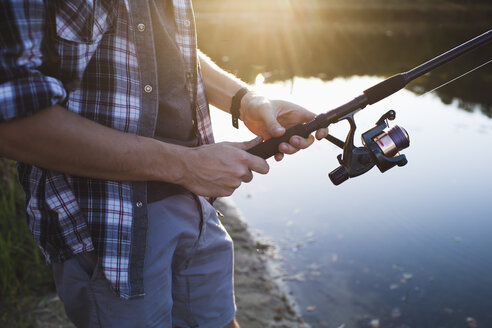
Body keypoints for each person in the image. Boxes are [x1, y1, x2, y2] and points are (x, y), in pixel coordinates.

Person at [0, 1, 327, 327]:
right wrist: (186, 166)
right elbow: (11, 125)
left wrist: (245, 100)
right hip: (110, 229)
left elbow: (167, 46)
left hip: (196, 206)